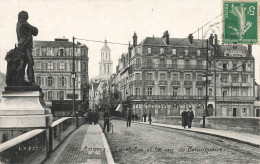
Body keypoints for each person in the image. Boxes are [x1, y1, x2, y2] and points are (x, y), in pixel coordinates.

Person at [16, 11, 38, 86]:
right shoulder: (24, 23)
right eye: (25, 15)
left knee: (24, 63)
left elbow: (34, 32)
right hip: (25, 47)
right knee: (30, 62)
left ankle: (20, 80)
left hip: (22, 46)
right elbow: (35, 31)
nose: (27, 16)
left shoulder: (18, 23)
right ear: (22, 16)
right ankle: (31, 81)